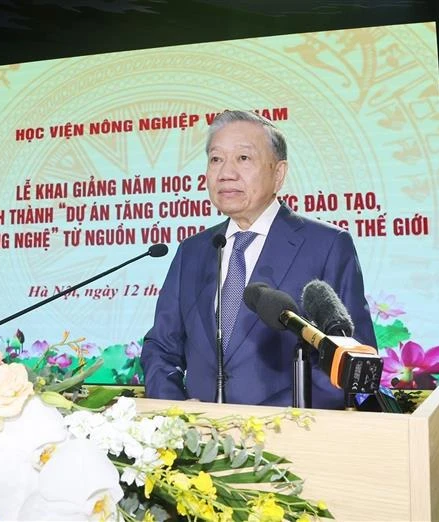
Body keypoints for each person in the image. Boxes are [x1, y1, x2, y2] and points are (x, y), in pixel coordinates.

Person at [140, 110, 376, 408]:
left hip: (287, 441)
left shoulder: (327, 245)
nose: (226, 173)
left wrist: (266, 427)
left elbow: (351, 359)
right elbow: (162, 347)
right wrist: (176, 413)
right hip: (196, 443)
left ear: (278, 174)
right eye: (216, 159)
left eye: (243, 158)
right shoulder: (193, 251)